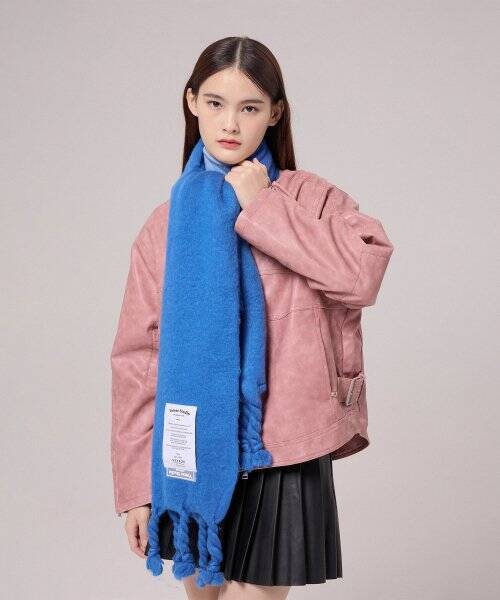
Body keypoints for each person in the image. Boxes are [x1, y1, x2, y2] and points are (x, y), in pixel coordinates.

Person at [110, 36, 394, 600]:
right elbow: (138, 358)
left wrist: (265, 206)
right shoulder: (167, 224)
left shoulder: (310, 200)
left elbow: (361, 276)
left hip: (282, 446)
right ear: (192, 101)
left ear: (276, 113)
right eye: (216, 103)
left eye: (250, 107)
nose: (230, 123)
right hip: (192, 446)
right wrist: (135, 485)